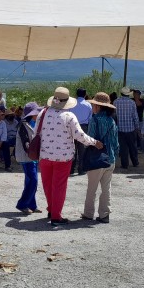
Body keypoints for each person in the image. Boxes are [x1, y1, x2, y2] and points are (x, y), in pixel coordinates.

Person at [36, 87, 102, 227]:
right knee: (59, 186)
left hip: (45, 156)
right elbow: (80, 136)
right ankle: (56, 216)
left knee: (48, 185)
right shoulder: (69, 116)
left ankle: (51, 210)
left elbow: (36, 132)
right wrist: (94, 142)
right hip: (63, 157)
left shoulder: (43, 113)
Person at [82, 93, 119, 223]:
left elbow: (90, 139)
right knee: (106, 188)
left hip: (97, 159)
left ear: (98, 106)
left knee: (92, 188)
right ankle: (104, 214)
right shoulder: (112, 120)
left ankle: (88, 213)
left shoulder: (95, 119)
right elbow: (115, 142)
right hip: (110, 158)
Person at [14, 102, 42, 214]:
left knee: (30, 181)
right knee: (33, 181)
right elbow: (26, 144)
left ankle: (32, 205)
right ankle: (22, 204)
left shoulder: (32, 123)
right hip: (27, 157)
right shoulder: (23, 125)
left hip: (31, 157)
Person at [113, 87, 140, 169]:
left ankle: (125, 164)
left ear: (121, 93)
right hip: (130, 129)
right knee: (133, 147)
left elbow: (114, 116)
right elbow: (135, 116)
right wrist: (137, 127)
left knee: (123, 148)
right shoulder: (132, 103)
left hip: (119, 128)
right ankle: (135, 162)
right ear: (128, 94)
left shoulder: (115, 102)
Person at [68, 88, 92, 175]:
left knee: (72, 148)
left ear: (76, 94)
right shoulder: (88, 105)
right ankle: (81, 169)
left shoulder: (71, 104)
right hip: (83, 127)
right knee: (82, 150)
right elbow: (90, 118)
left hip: (72, 126)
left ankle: (71, 169)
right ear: (85, 94)